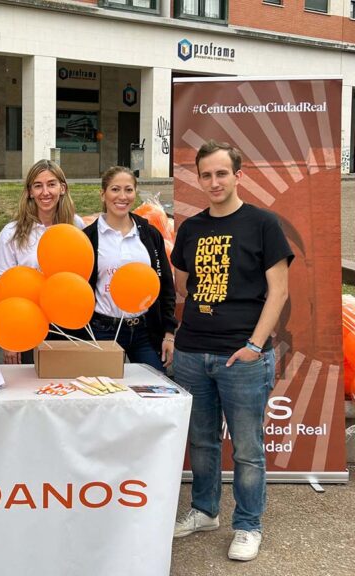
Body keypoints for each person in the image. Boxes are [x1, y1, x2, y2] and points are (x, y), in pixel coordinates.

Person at [171, 141, 293, 562]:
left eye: (222, 173)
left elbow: (279, 291)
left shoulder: (263, 224)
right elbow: (183, 285)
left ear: (238, 175)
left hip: (243, 355)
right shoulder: (190, 228)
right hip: (191, 354)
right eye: (206, 175)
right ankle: (205, 511)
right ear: (199, 179)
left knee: (246, 447)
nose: (214, 182)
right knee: (201, 442)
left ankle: (247, 524)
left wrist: (254, 346)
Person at [79, 166, 176, 371]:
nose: (122, 196)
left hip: (145, 331)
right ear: (103, 194)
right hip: (103, 330)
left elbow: (165, 285)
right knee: (105, 393)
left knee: (155, 392)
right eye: (115, 189)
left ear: (135, 193)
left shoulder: (150, 234)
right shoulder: (88, 237)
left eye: (129, 190)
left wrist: (169, 333)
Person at [0, 159, 84, 364]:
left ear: (62, 188)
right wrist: (9, 338)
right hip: (27, 322)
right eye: (38, 185)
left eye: (51, 184)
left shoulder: (76, 226)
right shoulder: (12, 232)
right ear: (29, 192)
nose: (45, 192)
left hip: (68, 323)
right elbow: (5, 290)